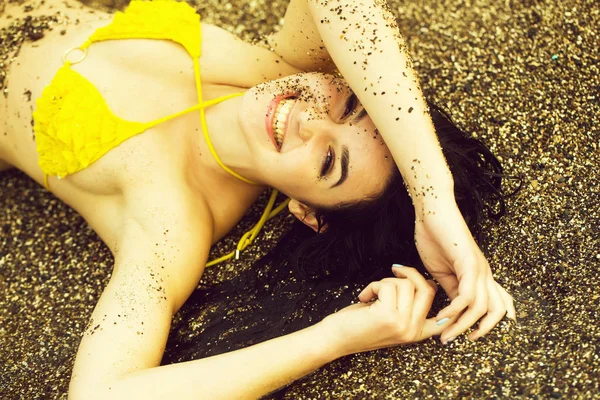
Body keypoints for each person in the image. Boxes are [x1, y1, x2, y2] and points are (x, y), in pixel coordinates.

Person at [0, 0, 515, 398]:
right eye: (347, 102)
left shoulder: (173, 220)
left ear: (306, 212)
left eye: (327, 162)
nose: (308, 120)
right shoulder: (274, 67)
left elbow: (101, 392)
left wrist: (331, 340)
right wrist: (432, 194)